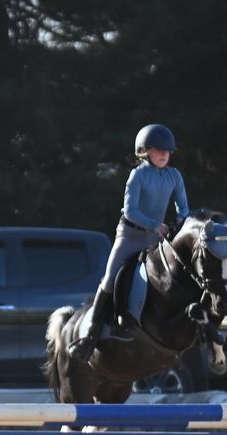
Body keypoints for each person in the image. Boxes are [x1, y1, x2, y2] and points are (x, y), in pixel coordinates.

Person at [67, 123, 190, 361]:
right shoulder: (138, 175)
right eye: (158, 150)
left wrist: (182, 219)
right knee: (111, 279)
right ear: (145, 151)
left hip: (157, 238)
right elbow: (130, 211)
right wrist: (155, 224)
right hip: (131, 236)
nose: (164, 154)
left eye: (167, 150)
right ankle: (89, 337)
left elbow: (183, 207)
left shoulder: (175, 176)